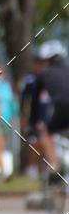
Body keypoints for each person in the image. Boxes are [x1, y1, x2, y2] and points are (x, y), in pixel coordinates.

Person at [30, 40, 69, 176]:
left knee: (46, 132)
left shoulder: (44, 74)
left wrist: (33, 122)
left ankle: (55, 167)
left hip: (63, 108)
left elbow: (35, 100)